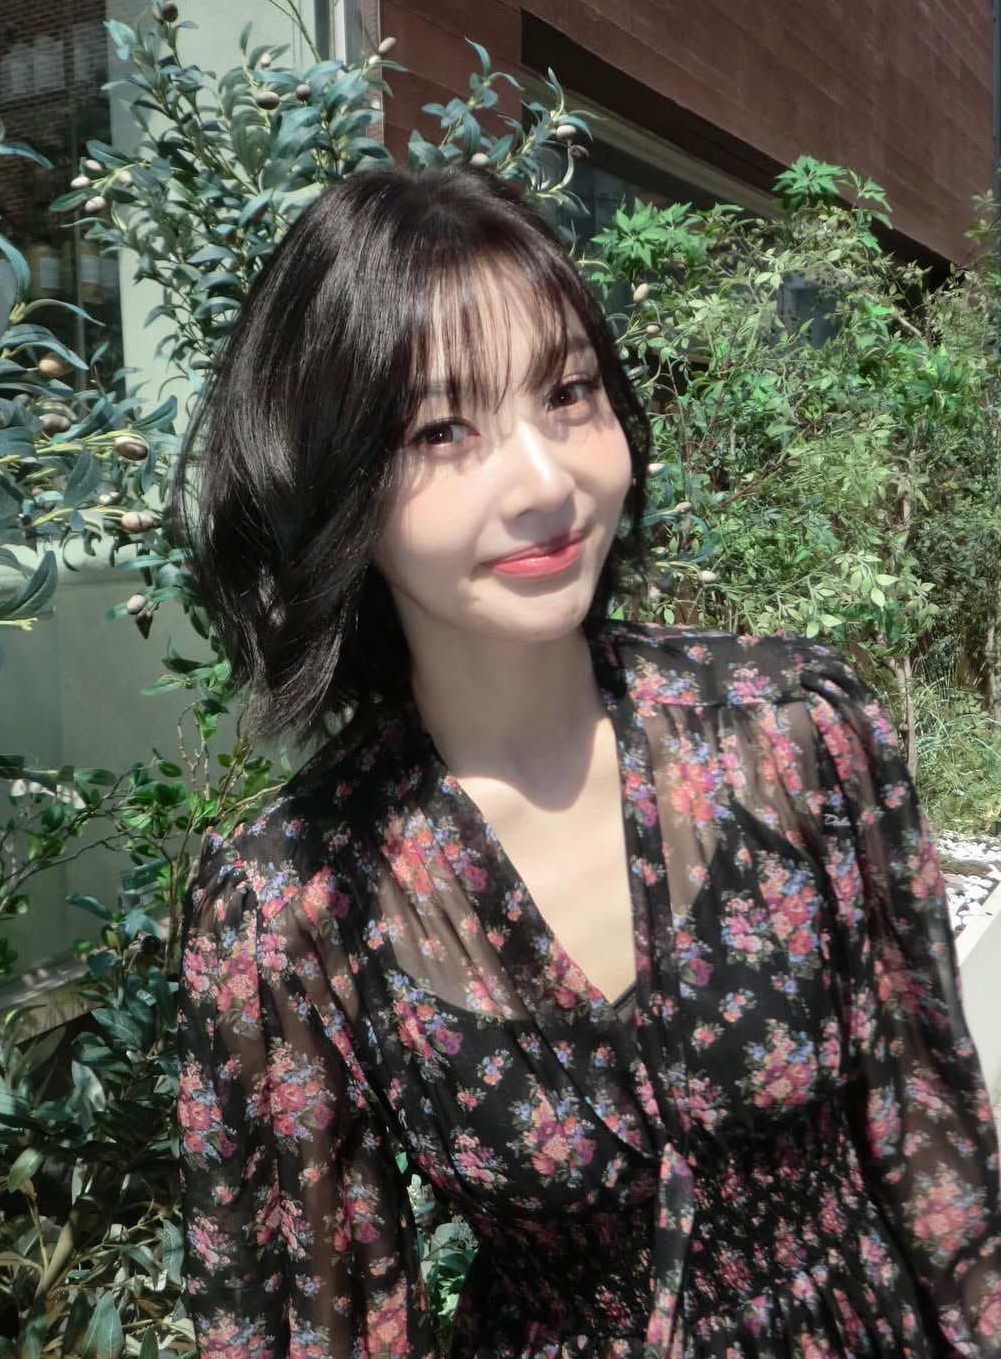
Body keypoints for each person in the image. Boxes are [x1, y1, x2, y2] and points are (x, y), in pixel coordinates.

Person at [172, 166, 1001, 1359]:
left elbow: (932, 1142)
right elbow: (313, 1320)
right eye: (442, 430)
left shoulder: (794, 733)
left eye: (568, 394)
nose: (548, 482)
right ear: (330, 483)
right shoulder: (294, 905)